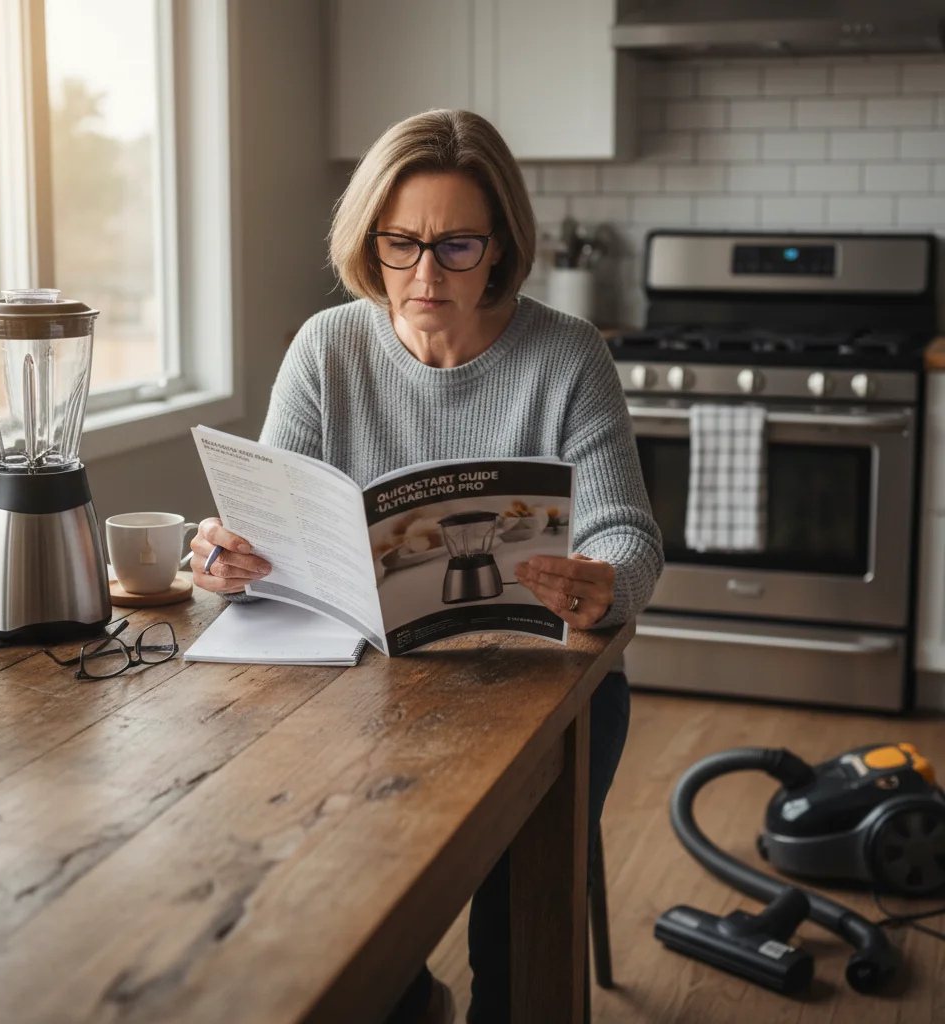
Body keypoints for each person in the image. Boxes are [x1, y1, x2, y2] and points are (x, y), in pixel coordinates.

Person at [188, 109, 663, 1024]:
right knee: (328, 898)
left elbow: (628, 534)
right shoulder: (327, 349)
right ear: (370, 239)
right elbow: (263, 527)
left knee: (514, 943)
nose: (423, 274)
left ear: (501, 247)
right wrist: (226, 558)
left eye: (455, 245)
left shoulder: (567, 355)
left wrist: (605, 581)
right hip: (359, 681)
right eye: (400, 243)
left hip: (542, 687)